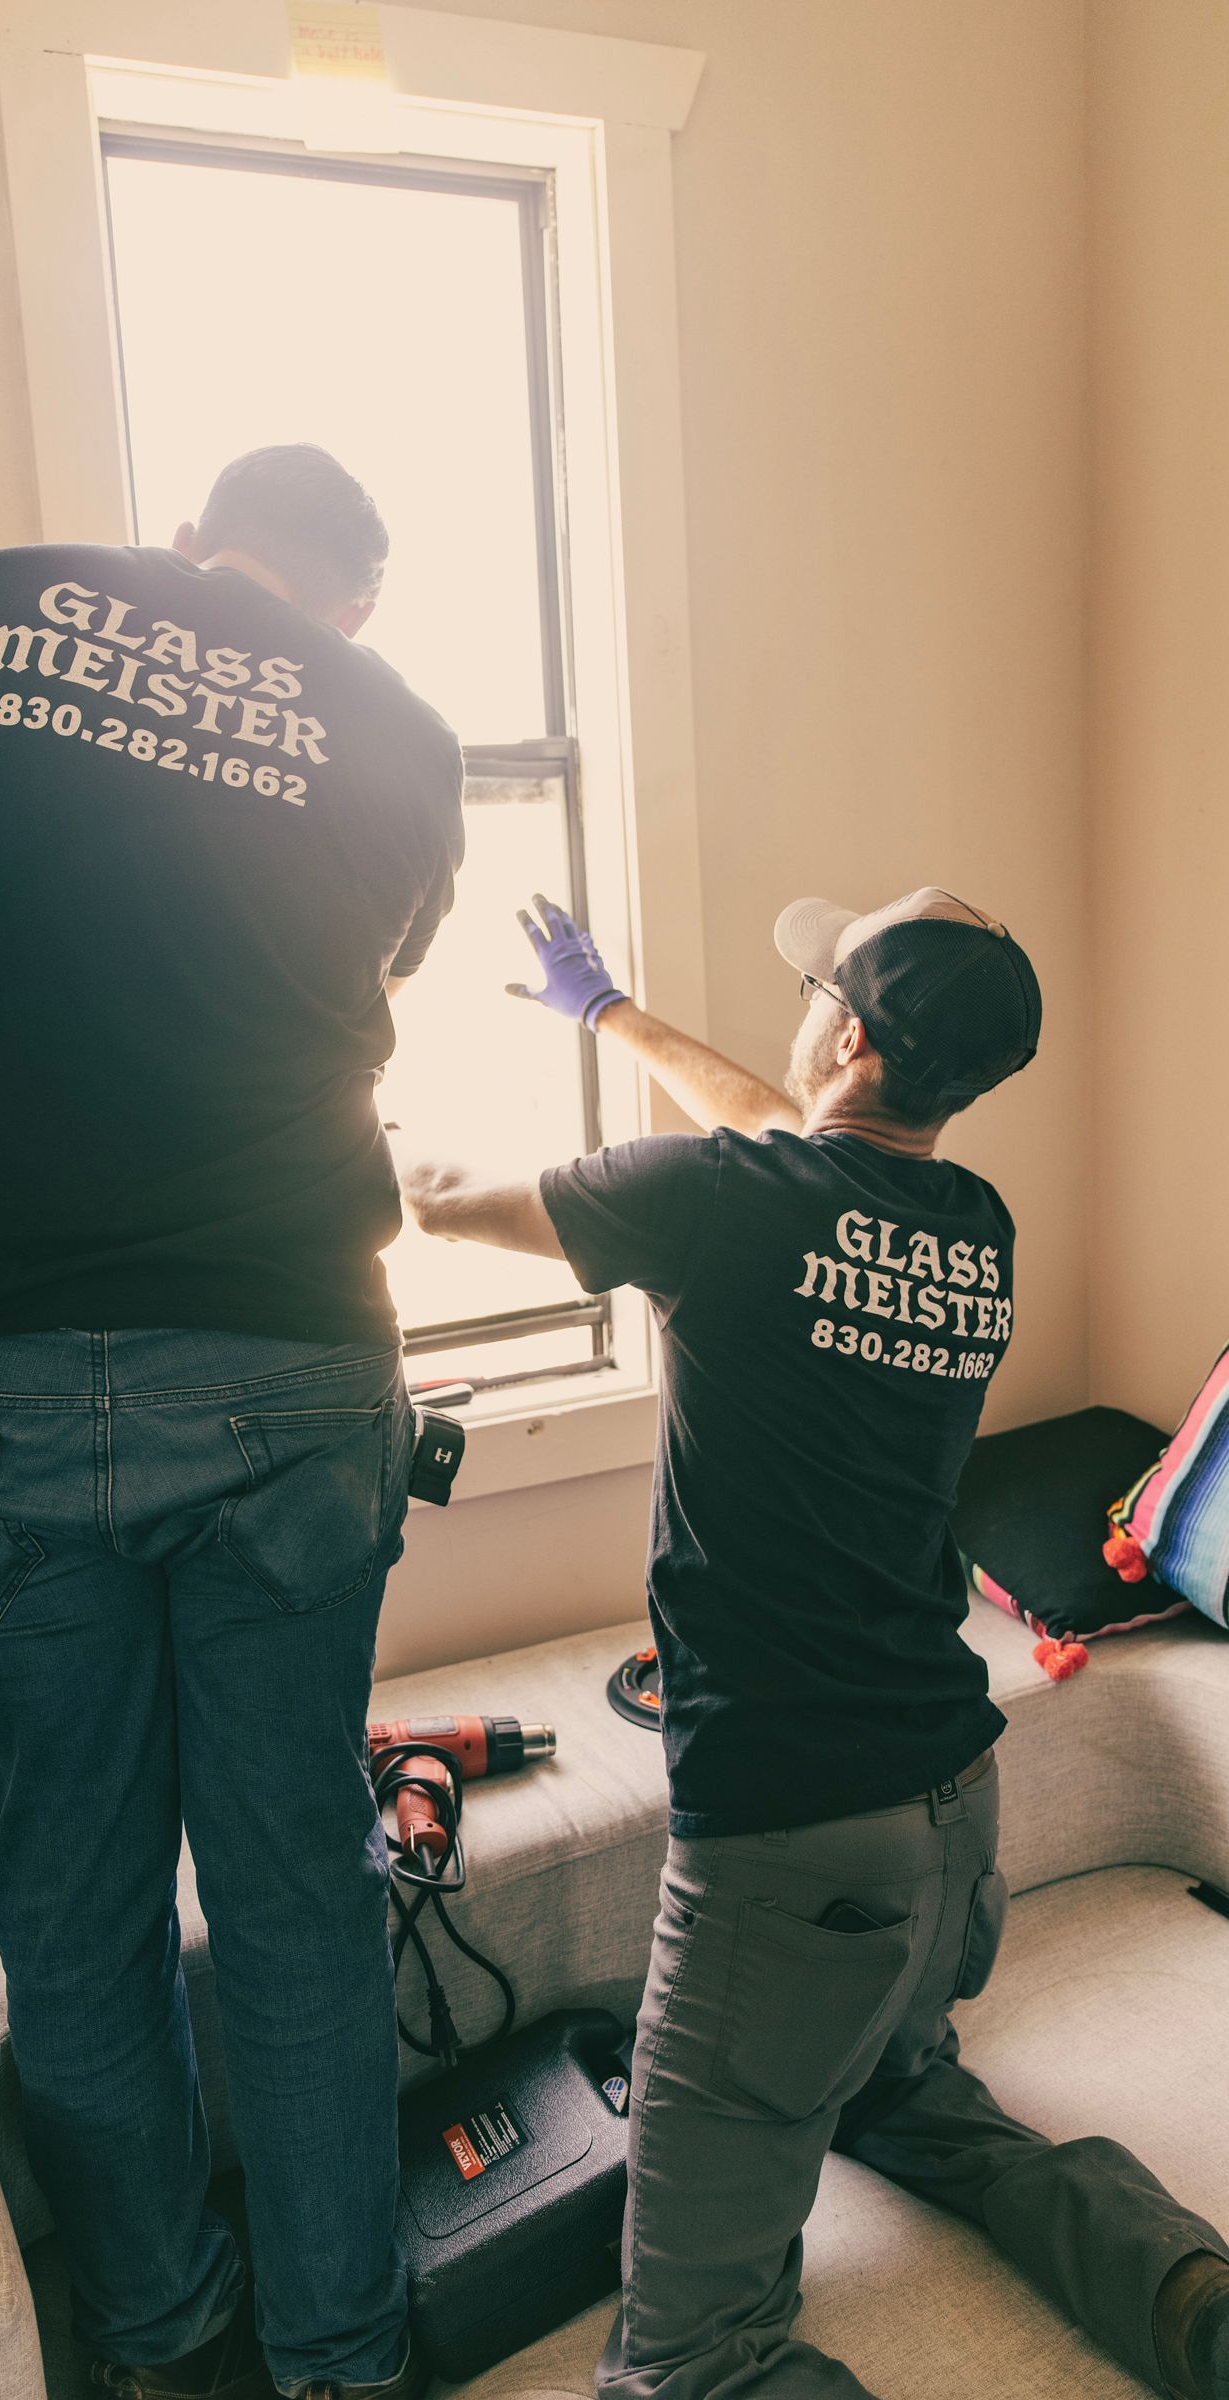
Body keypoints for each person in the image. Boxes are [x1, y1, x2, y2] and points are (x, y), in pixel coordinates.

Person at [0, 445, 465, 2400]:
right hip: (281, 1355)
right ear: (347, 603)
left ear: (190, 533)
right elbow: (350, 972)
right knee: (292, 1893)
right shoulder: (396, 734)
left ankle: (157, 2337)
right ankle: (342, 2359)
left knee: (73, 1898)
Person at [400, 887, 1229, 2400]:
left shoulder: (716, 1203)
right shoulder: (973, 1225)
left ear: (842, 1035)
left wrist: (346, 1099)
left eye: (817, 995)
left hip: (790, 1847)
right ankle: (1185, 2293)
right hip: (952, 1812)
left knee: (686, 2365)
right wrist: (605, 1013)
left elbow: (453, 1196)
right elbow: (786, 1143)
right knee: (902, 2092)